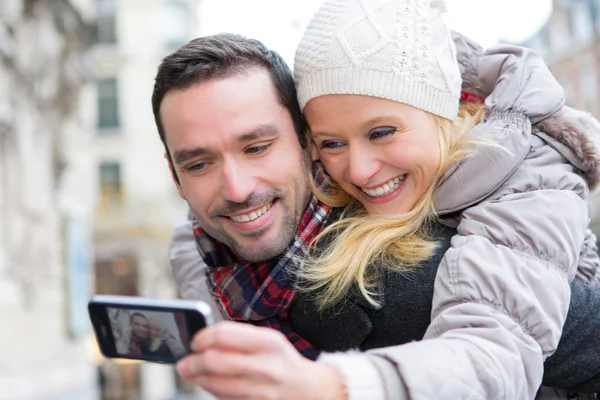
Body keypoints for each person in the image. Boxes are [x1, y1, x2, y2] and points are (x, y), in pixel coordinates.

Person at [152, 22, 600, 400]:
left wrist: (332, 384)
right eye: (199, 163)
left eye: (257, 147)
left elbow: (497, 353)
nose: (236, 188)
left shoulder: (422, 257)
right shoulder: (206, 259)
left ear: (299, 143)